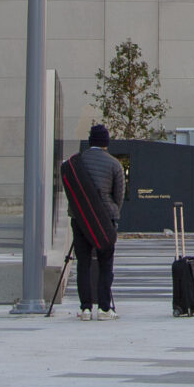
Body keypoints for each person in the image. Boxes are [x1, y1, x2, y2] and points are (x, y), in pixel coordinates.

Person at [63, 124, 125, 320]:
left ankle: (85, 308)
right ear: (106, 142)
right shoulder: (114, 164)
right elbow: (119, 195)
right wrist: (112, 212)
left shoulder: (77, 162)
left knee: (83, 263)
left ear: (90, 142)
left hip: (79, 219)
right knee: (106, 264)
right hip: (105, 220)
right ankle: (105, 308)